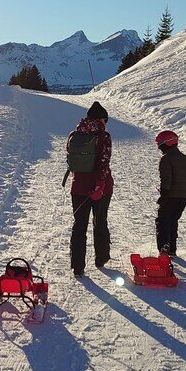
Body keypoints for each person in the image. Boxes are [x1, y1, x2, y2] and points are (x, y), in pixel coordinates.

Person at [69, 101, 113, 276]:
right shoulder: (103, 136)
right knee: (100, 221)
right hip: (100, 189)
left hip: (78, 187)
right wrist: (100, 185)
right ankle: (101, 258)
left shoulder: (74, 134)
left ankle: (78, 266)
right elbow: (104, 162)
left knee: (79, 225)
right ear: (102, 119)